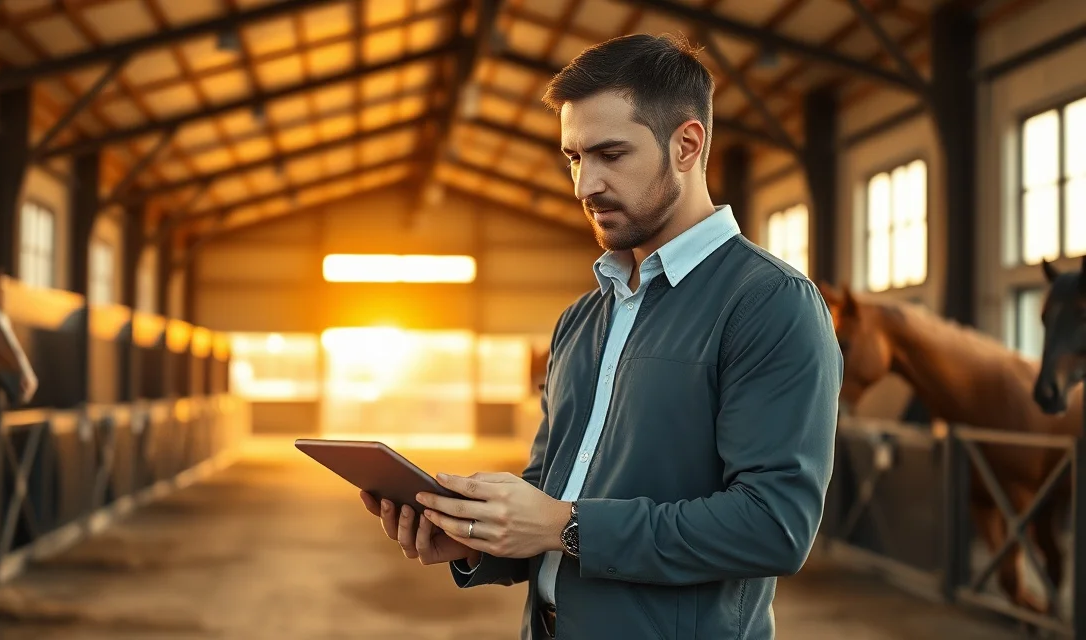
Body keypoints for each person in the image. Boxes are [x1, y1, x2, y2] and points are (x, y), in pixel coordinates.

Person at [360, 32, 842, 639]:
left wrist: (565, 524)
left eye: (610, 155)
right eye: (573, 158)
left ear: (687, 146)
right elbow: (554, 494)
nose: (585, 185)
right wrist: (474, 541)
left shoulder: (770, 304)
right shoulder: (582, 320)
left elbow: (774, 526)